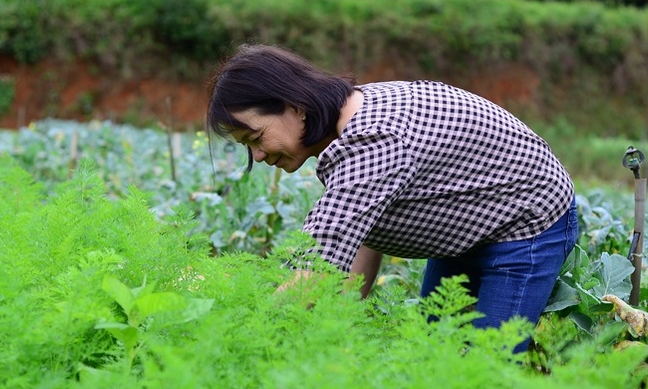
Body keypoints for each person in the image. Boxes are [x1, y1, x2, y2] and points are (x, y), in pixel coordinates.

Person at [206, 43, 577, 352]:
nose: (256, 156)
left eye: (255, 138)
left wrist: (241, 339)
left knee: (487, 371)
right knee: (435, 351)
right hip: (465, 225)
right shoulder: (344, 126)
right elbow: (358, 244)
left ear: (295, 106)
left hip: (526, 223)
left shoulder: (372, 140)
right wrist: (340, 331)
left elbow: (315, 269)